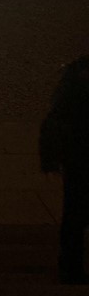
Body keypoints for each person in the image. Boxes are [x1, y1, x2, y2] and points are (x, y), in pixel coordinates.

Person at [39, 56, 89, 284]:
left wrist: (51, 156)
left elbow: (57, 115)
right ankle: (71, 266)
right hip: (79, 154)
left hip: (78, 155)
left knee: (74, 213)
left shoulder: (77, 71)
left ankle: (70, 266)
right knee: (75, 214)